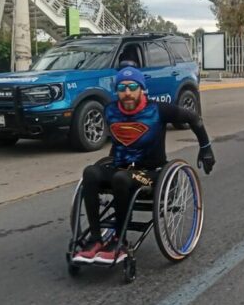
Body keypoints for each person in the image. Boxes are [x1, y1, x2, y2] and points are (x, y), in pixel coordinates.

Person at [73, 66, 216, 265]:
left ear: (142, 89)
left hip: (151, 172)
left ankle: (119, 241)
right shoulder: (110, 110)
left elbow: (193, 118)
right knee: (90, 173)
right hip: (121, 167)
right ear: (117, 91)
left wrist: (206, 148)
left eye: (133, 87)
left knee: (120, 178)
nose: (128, 93)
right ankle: (96, 239)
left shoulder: (158, 110)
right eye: (122, 88)